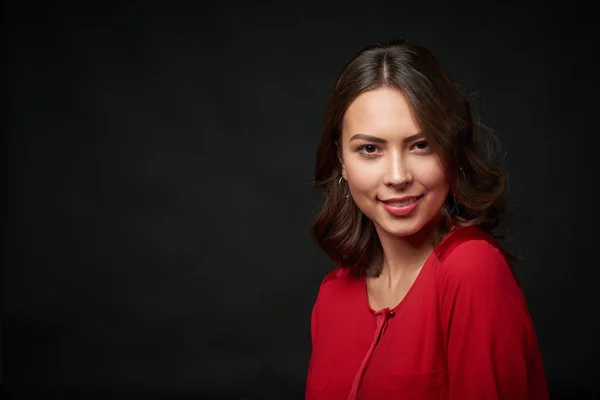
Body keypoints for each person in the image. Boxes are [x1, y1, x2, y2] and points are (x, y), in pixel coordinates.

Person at [305, 39, 549, 400]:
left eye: (421, 145)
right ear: (341, 159)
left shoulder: (472, 271)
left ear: (451, 150)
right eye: (369, 149)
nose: (398, 175)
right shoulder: (332, 295)